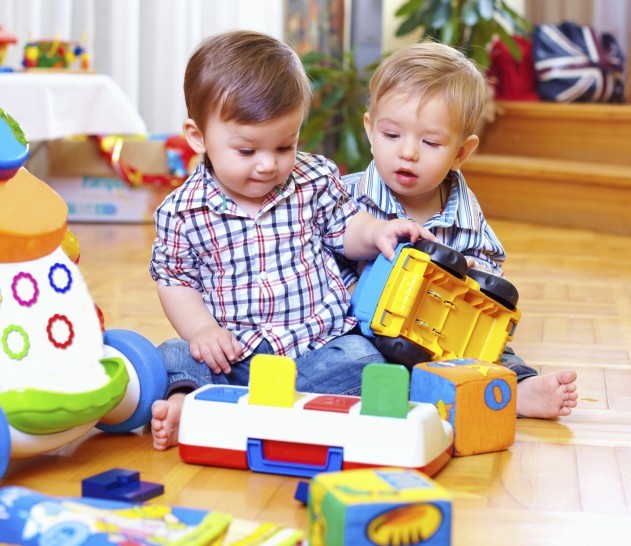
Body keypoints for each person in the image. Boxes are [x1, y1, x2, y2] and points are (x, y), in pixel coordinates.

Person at [148, 31, 433, 451]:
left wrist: (376, 232)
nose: (268, 165)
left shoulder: (312, 178)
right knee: (174, 354)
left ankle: (250, 413)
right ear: (198, 136)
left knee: (365, 359)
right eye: (246, 151)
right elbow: (175, 280)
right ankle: (189, 402)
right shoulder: (182, 211)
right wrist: (203, 329)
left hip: (315, 349)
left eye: (285, 145)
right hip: (235, 358)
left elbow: (345, 228)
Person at [340, 42, 578, 419]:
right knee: (351, 359)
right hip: (366, 332)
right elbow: (320, 259)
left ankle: (517, 390)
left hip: (442, 338)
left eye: (430, 142)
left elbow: (490, 270)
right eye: (391, 136)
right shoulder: (345, 197)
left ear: (461, 153)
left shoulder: (465, 212)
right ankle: (407, 391)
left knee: (495, 354)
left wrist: (464, 277)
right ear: (370, 130)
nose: (408, 153)